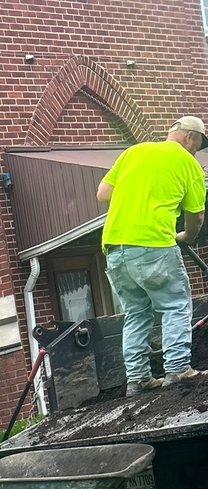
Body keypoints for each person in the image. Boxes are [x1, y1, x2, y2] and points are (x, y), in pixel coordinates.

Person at [96, 116, 208, 397]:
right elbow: (196, 215)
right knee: (175, 304)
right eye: (199, 143)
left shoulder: (134, 152)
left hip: (114, 248)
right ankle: (178, 369)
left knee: (136, 312)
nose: (198, 149)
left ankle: (137, 379)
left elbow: (103, 193)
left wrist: (139, 194)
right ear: (189, 138)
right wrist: (186, 237)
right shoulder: (188, 163)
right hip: (153, 244)